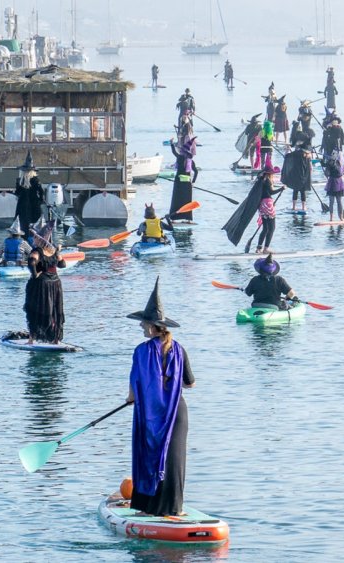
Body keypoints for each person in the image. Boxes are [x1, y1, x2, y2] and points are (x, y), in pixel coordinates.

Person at [126, 279, 193, 517]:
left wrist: (131, 399)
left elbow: (135, 387)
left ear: (153, 327)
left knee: (149, 455)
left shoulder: (141, 351)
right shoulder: (179, 348)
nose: (142, 327)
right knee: (174, 459)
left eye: (144, 324)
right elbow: (190, 383)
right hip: (176, 411)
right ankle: (174, 509)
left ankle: (147, 508)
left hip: (150, 413)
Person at [23, 239, 65, 344]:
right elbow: (62, 265)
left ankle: (31, 340)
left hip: (41, 285)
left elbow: (31, 263)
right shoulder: (54, 251)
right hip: (55, 284)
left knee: (34, 309)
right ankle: (55, 339)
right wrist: (58, 251)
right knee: (54, 311)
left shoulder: (36, 252)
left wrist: (35, 275)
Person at [168, 135, 198, 223]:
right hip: (187, 184)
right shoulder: (191, 161)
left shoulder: (179, 158)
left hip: (178, 183)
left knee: (176, 200)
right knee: (187, 201)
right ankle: (188, 219)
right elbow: (196, 172)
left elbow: (174, 152)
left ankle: (173, 219)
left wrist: (171, 143)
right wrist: (193, 182)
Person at [253, 168, 282, 253]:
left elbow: (266, 193)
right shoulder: (268, 181)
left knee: (265, 228)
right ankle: (266, 248)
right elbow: (271, 192)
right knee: (272, 228)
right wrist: (281, 188)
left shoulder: (261, 181)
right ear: (270, 174)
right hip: (268, 205)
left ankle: (259, 248)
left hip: (262, 205)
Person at [14, 151, 44, 235]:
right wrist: (40, 201)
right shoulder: (36, 180)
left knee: (23, 223)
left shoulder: (20, 181)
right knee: (35, 224)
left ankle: (24, 238)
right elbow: (41, 192)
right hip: (34, 204)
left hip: (22, 205)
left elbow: (17, 193)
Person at [281, 139, 313, 213]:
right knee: (303, 191)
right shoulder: (307, 155)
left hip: (296, 175)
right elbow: (310, 168)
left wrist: (287, 149)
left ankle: (294, 207)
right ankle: (304, 207)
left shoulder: (295, 153)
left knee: (295, 190)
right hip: (304, 176)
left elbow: (286, 156)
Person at [324, 149, 344, 220]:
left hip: (336, 182)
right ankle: (334, 218)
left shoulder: (334, 163)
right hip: (334, 182)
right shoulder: (334, 162)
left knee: (335, 201)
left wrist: (327, 170)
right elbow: (327, 173)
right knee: (335, 201)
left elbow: (327, 173)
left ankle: (339, 217)